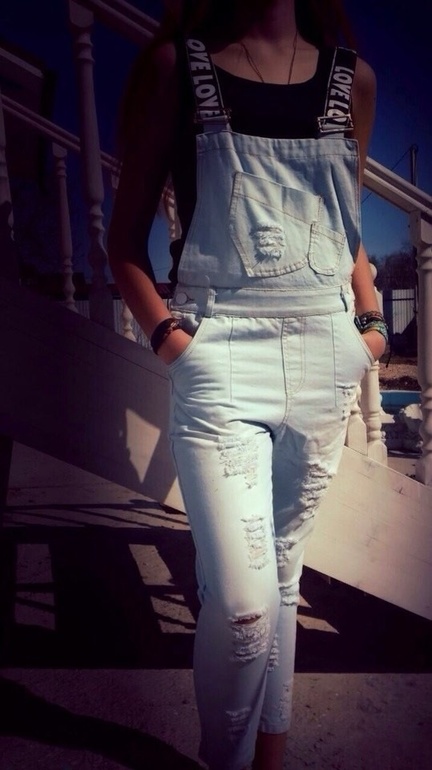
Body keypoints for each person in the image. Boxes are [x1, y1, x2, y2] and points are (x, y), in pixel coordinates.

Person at [108, 1, 388, 768]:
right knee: (242, 606)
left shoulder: (353, 83)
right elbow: (123, 240)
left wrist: (369, 329)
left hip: (327, 357)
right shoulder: (180, 68)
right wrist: (175, 345)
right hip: (221, 362)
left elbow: (347, 231)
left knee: (284, 580)